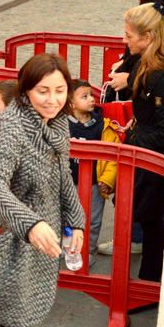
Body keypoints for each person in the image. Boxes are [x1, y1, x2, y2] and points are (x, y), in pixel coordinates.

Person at [0, 53, 85, 327]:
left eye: (60, 90)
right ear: (27, 89)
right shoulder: (12, 125)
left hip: (42, 233)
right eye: (43, 91)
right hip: (4, 235)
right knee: (7, 309)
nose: (52, 99)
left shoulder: (58, 122)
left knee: (5, 309)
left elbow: (62, 175)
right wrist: (30, 224)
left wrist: (75, 220)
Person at [121, 2, 164, 283]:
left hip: (152, 160)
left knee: (152, 221)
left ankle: (150, 281)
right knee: (148, 219)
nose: (124, 40)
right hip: (144, 154)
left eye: (129, 35)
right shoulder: (148, 64)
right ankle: (148, 278)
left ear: (148, 38)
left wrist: (134, 136)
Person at [67, 80, 109, 266]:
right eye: (84, 97)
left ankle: (89, 249)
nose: (91, 99)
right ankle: (68, 248)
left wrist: (107, 180)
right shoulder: (62, 124)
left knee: (92, 220)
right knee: (66, 218)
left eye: (91, 95)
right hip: (68, 182)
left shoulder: (102, 124)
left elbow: (110, 157)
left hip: (93, 182)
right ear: (71, 103)